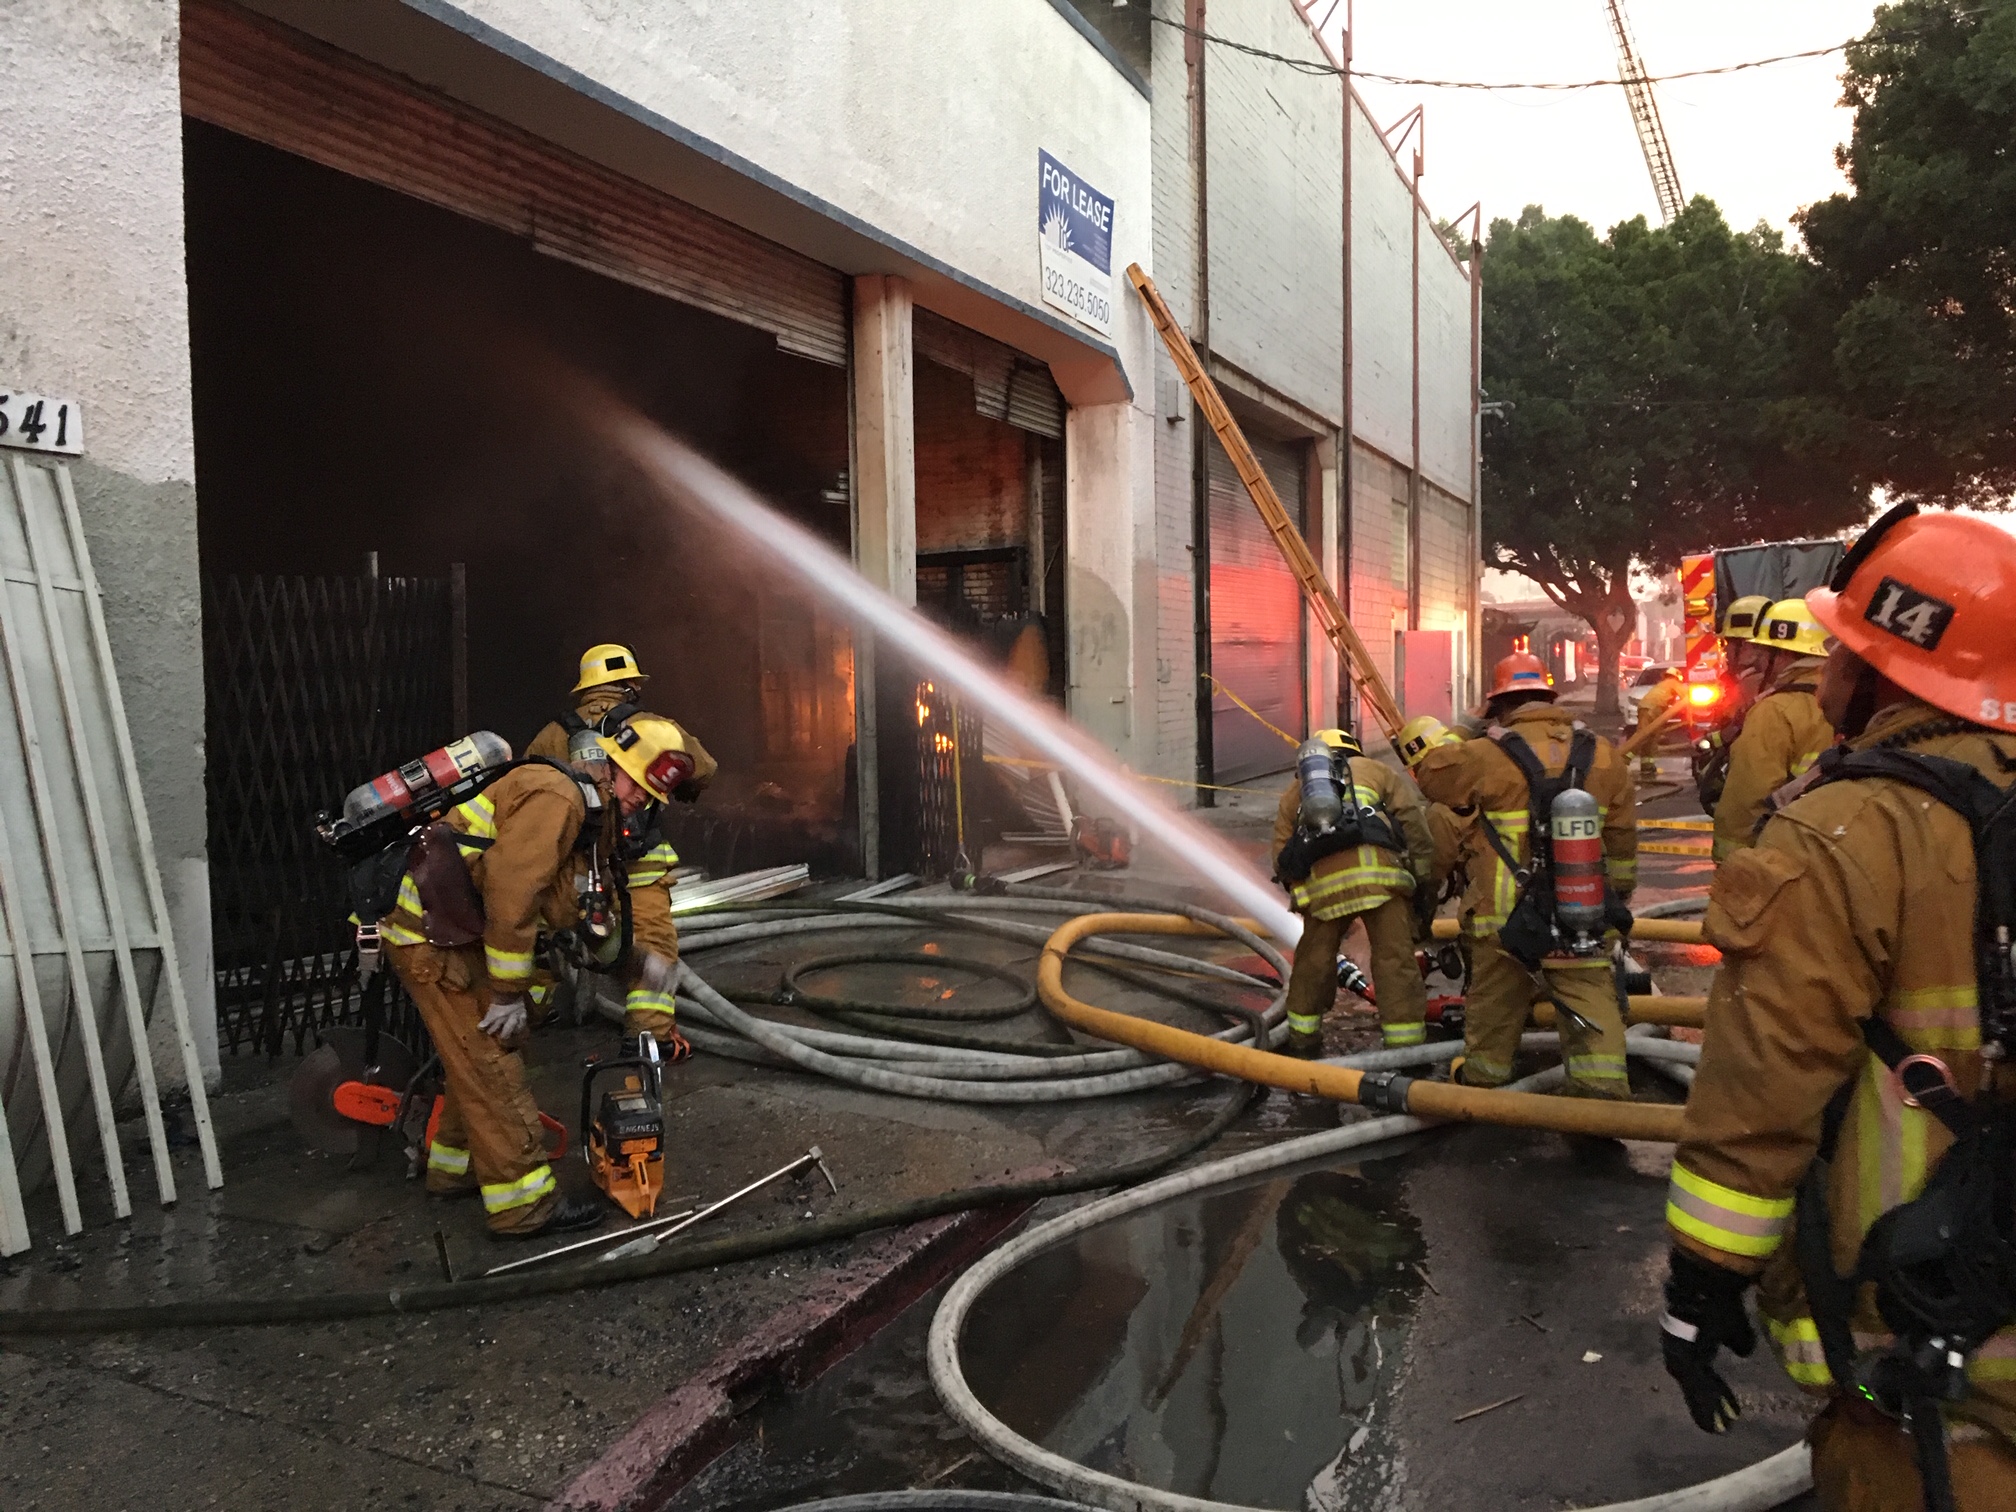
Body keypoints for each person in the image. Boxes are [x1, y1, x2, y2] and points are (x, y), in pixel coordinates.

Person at [1657, 504, 2016, 1510]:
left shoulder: (1842, 830)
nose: (1828, 673)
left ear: (1887, 668)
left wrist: (1703, 1281)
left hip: (1914, 1325)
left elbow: (1764, 1088)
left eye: (1844, 647)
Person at [372, 733, 665, 1238]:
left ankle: (454, 1167)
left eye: (650, 793)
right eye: (638, 783)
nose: (641, 799)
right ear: (609, 765)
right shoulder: (559, 798)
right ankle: (523, 1208)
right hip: (431, 936)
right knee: (492, 1061)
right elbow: (513, 891)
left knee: (478, 1057)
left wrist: (636, 964)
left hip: (450, 929)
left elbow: (567, 908)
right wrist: (508, 993)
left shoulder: (588, 807)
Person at [1414, 652, 1638, 1098]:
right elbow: (1622, 843)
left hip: (1505, 921)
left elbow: (1430, 776)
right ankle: (1603, 1097)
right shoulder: (1605, 756)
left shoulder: (1485, 755)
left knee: (1494, 1015)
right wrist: (1612, 899)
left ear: (1500, 706)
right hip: (1581, 910)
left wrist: (1465, 726)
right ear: (1549, 698)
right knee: (1592, 1001)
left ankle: (1483, 1087)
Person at [527, 645, 717, 1047]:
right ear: (629, 685)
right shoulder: (651, 726)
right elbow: (703, 768)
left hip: (577, 864)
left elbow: (531, 781)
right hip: (638, 864)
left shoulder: (554, 733)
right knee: (652, 947)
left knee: (544, 942)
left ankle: (524, 1020)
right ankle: (652, 1040)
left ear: (586, 689)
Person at [1271, 728, 1436, 1056]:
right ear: (1354, 750)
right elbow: (1414, 826)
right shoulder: (1379, 772)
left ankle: (1303, 1040)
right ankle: (1406, 1049)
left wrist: (1301, 893)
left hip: (1324, 892)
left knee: (1313, 962)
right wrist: (1422, 879)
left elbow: (1280, 858)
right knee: (1394, 960)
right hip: (1382, 882)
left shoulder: (1296, 792)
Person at [1709, 598, 1836, 861]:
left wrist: (1733, 868)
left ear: (1784, 654)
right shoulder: (1848, 700)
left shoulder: (1774, 712)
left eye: (1766, 652)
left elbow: (1745, 806)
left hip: (1787, 857)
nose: (1759, 660)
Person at [1693, 595, 1772, 811]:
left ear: (1750, 647)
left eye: (1728, 643)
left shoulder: (1749, 688)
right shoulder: (1769, 684)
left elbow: (1733, 735)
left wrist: (1709, 742)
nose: (1725, 651)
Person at [1634, 666, 1685, 780]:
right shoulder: (1673, 683)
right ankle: (1624, 759)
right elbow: (1686, 697)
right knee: (1642, 737)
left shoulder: (1663, 684)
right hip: (1652, 709)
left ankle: (1647, 765)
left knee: (1649, 737)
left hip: (1645, 708)